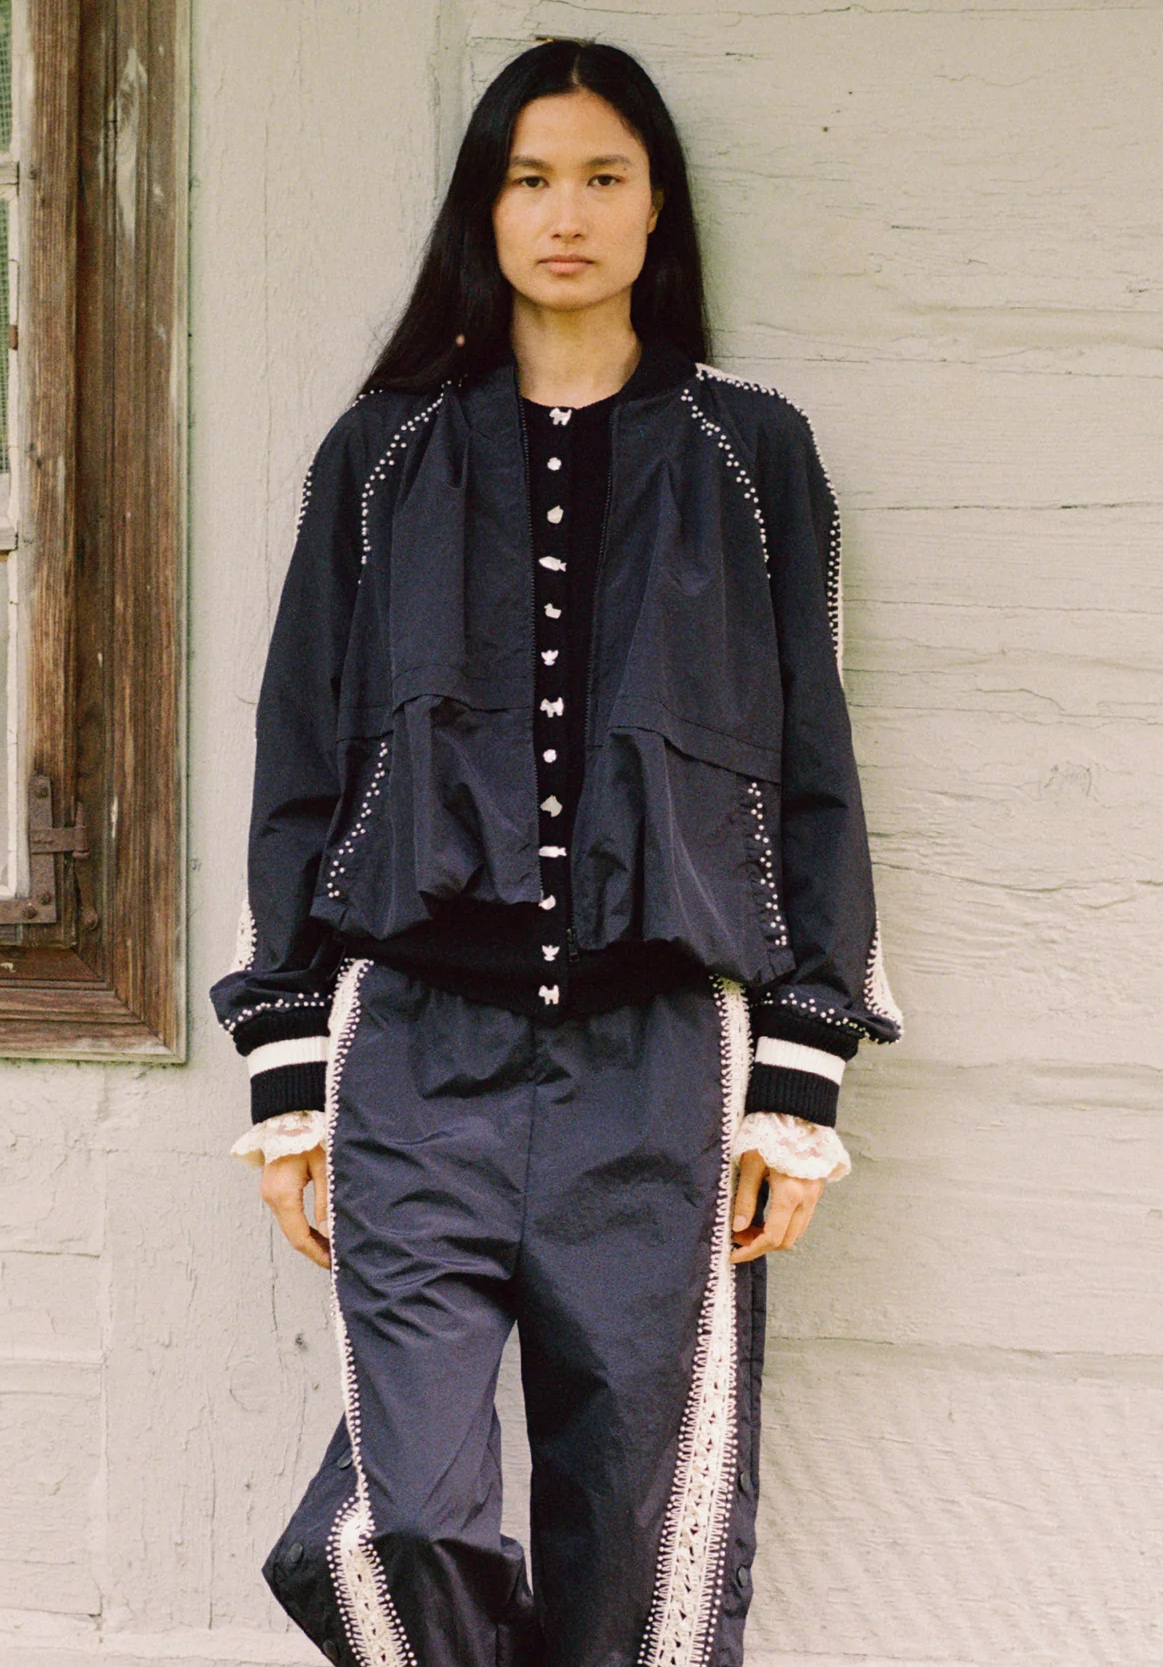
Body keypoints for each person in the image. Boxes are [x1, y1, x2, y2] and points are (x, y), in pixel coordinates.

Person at [210, 37, 901, 1667]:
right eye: (530, 179)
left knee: (640, 1552)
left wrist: (798, 1078)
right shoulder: (380, 451)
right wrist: (290, 1067)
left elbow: (815, 773)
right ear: (486, 207)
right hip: (415, 1057)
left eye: (603, 177)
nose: (567, 215)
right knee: (401, 1524)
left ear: (658, 207)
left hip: (660, 1067)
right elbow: (302, 758)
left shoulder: (755, 454)